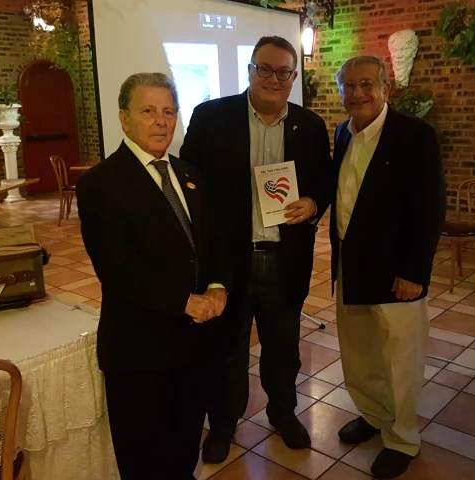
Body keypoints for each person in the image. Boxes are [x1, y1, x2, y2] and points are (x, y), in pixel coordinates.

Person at [180, 36, 333, 463]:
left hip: (285, 259)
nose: (273, 79)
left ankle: (283, 413)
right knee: (227, 351)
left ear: (293, 77)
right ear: (250, 70)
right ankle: (223, 424)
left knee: (283, 350)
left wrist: (313, 203)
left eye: (283, 72)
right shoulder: (211, 117)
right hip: (230, 262)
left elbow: (324, 181)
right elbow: (190, 183)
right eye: (264, 69)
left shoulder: (310, 126)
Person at [77, 72, 230, 480]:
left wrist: (217, 286)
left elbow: (213, 240)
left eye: (169, 111)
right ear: (124, 119)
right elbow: (117, 266)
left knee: (183, 451)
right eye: (148, 111)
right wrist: (184, 301)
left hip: (192, 347)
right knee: (144, 462)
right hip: (139, 353)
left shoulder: (189, 174)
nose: (161, 122)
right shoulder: (100, 184)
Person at [330, 56, 446, 479]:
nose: (357, 93)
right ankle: (375, 415)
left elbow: (430, 208)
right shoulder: (343, 132)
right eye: (349, 86)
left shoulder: (415, 136)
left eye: (366, 84)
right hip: (352, 266)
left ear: (385, 89)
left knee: (400, 360)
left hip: (397, 273)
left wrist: (414, 272)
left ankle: (402, 438)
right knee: (359, 353)